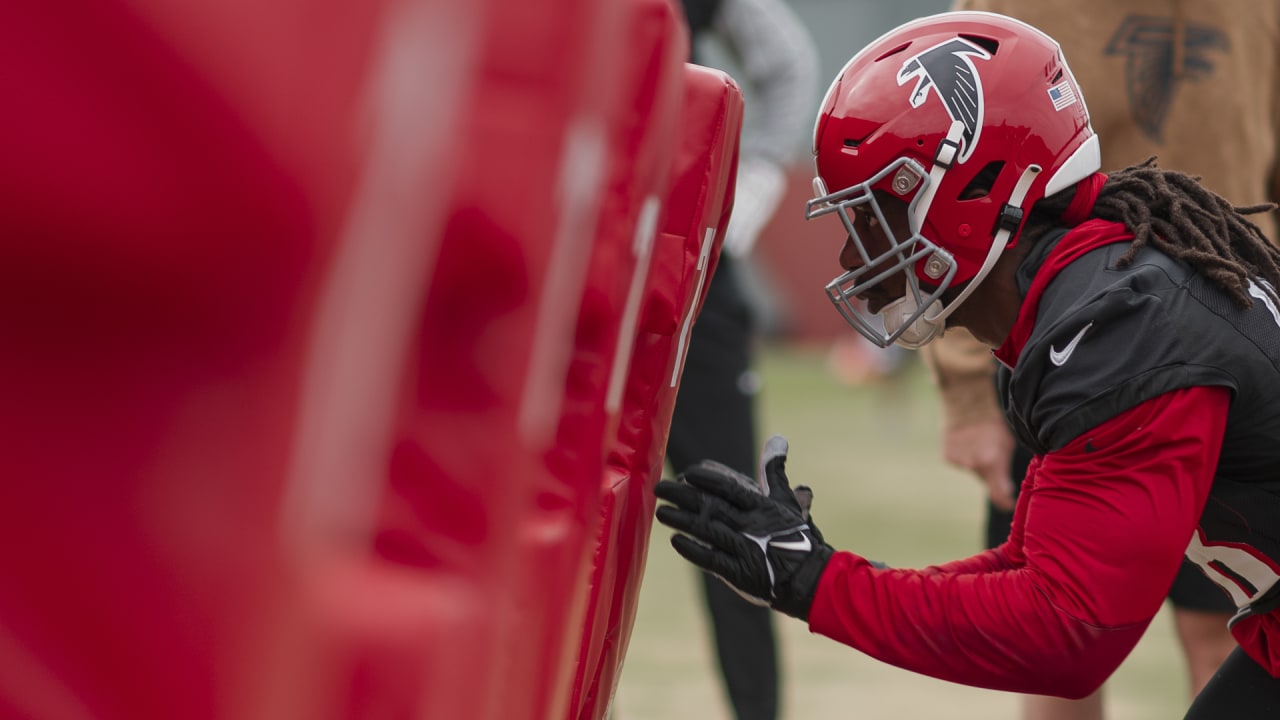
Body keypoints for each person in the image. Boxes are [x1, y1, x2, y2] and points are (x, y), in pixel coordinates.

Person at [653, 11, 1280, 719]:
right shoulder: (1086, 292)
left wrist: (819, 584)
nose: (858, 256)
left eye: (876, 214)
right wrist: (820, 572)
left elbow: (1065, 634)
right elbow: (1028, 568)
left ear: (971, 190)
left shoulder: (1116, 330)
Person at [919, 1, 1279, 716]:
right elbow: (954, 192)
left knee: (1222, 624)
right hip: (1063, 335)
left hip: (1224, 337)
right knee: (1053, 630)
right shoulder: (1011, 8)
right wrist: (967, 399)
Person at [665, 1, 818, 719]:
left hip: (682, 259)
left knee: (730, 514)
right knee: (551, 511)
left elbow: (786, 63)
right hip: (562, 261)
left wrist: (749, 190)